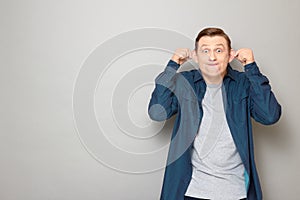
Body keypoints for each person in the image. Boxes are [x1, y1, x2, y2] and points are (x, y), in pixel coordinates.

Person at [148, 27, 281, 200]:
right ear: (196, 56)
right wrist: (173, 65)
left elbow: (269, 116)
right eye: (205, 51)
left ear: (230, 55)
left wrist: (251, 67)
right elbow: (158, 113)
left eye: (219, 50)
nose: (212, 57)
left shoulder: (244, 82)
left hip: (237, 192)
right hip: (193, 191)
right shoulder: (186, 82)